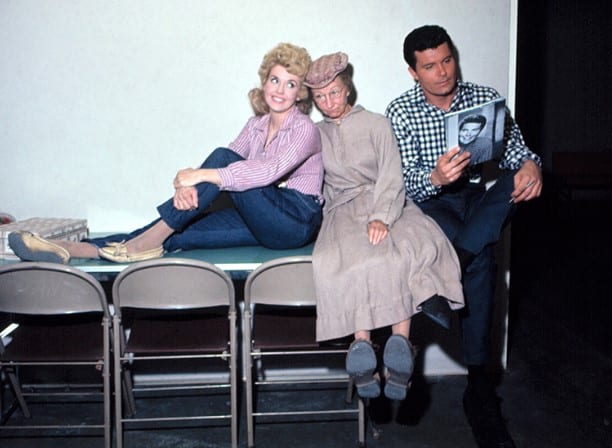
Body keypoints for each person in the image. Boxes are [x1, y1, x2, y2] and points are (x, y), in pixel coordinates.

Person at [9, 43, 323, 265]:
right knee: (176, 233)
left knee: (220, 158)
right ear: (265, 81)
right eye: (275, 80)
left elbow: (265, 172)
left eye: (290, 84)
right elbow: (228, 163)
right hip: (262, 220)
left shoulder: (305, 129)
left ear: (300, 93)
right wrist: (187, 187)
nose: (280, 90)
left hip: (296, 221)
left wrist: (193, 176)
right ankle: (71, 249)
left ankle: (144, 240)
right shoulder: (255, 126)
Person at [385, 25, 542, 448]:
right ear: (413, 72)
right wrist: (435, 177)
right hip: (435, 204)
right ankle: (479, 386)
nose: (442, 72)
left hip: (477, 199)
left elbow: (516, 150)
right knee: (484, 259)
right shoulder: (401, 111)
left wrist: (531, 164)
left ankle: (453, 262)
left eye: (447, 60)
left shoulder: (484, 98)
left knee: (511, 183)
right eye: (429, 66)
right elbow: (403, 182)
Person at [304, 52, 464, 401]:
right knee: (344, 260)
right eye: (320, 97)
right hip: (342, 209)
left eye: (334, 92)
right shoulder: (314, 134)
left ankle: (399, 345)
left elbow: (392, 173)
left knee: (401, 251)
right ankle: (361, 348)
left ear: (347, 88)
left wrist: (382, 216)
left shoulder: (377, 124)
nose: (329, 102)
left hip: (386, 199)